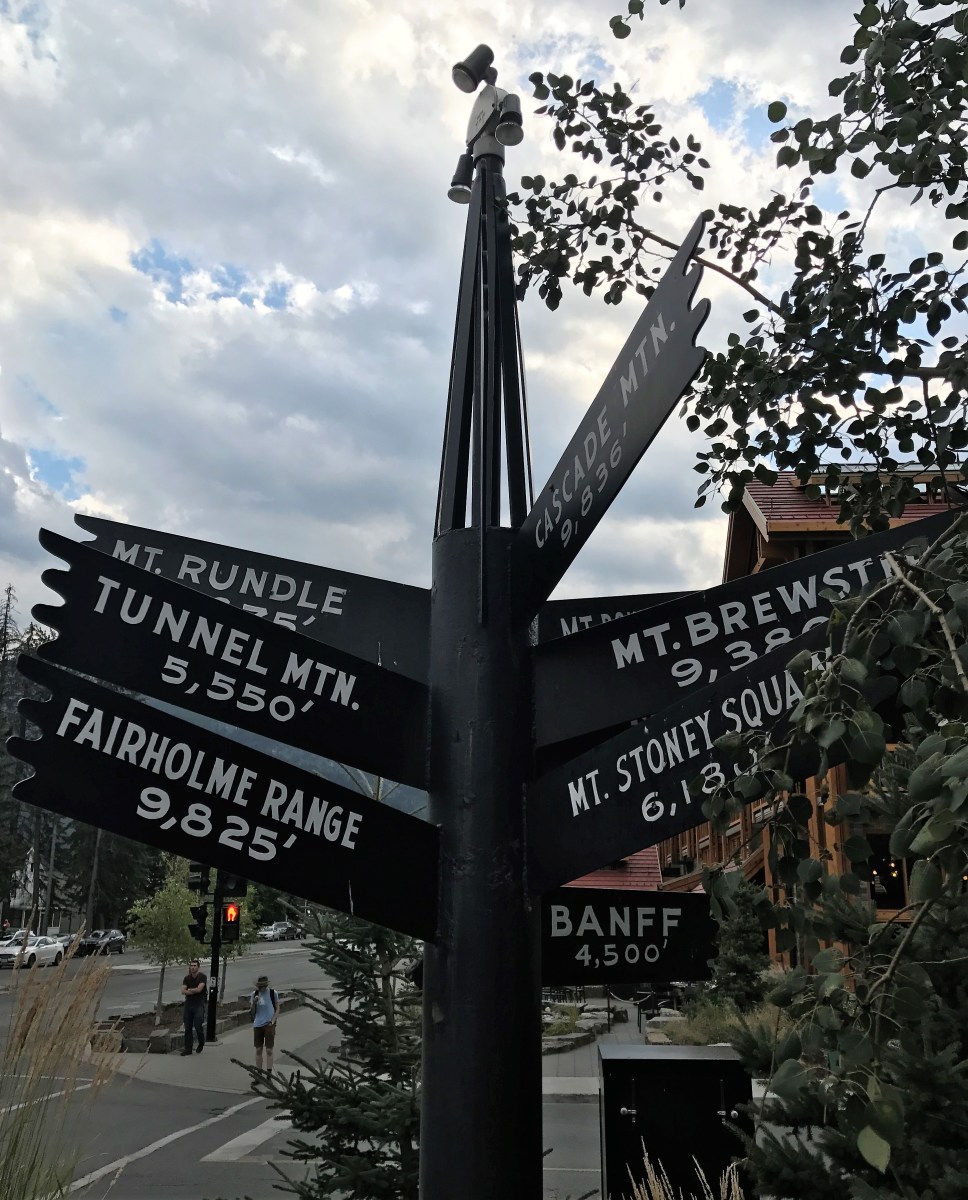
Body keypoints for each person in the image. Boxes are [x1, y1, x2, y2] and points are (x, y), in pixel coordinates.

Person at [250, 974, 278, 1070]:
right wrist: (254, 1002)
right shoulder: (254, 994)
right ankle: (259, 1072)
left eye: (263, 986)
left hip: (269, 1024)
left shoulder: (273, 993)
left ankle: (269, 1073)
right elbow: (252, 1012)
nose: (261, 988)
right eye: (260, 986)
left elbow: (277, 1008)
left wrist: (273, 1021)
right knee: (258, 1049)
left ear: (266, 985)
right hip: (258, 1024)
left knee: (269, 1050)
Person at [181, 958, 207, 1055]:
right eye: (191, 966)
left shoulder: (202, 977)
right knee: (187, 1027)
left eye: (194, 966)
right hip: (188, 1005)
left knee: (198, 1026)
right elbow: (182, 991)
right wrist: (193, 990)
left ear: (198, 967)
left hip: (198, 1005)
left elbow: (199, 989)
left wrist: (189, 990)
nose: (192, 967)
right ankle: (188, 1049)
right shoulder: (186, 978)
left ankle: (201, 1043)